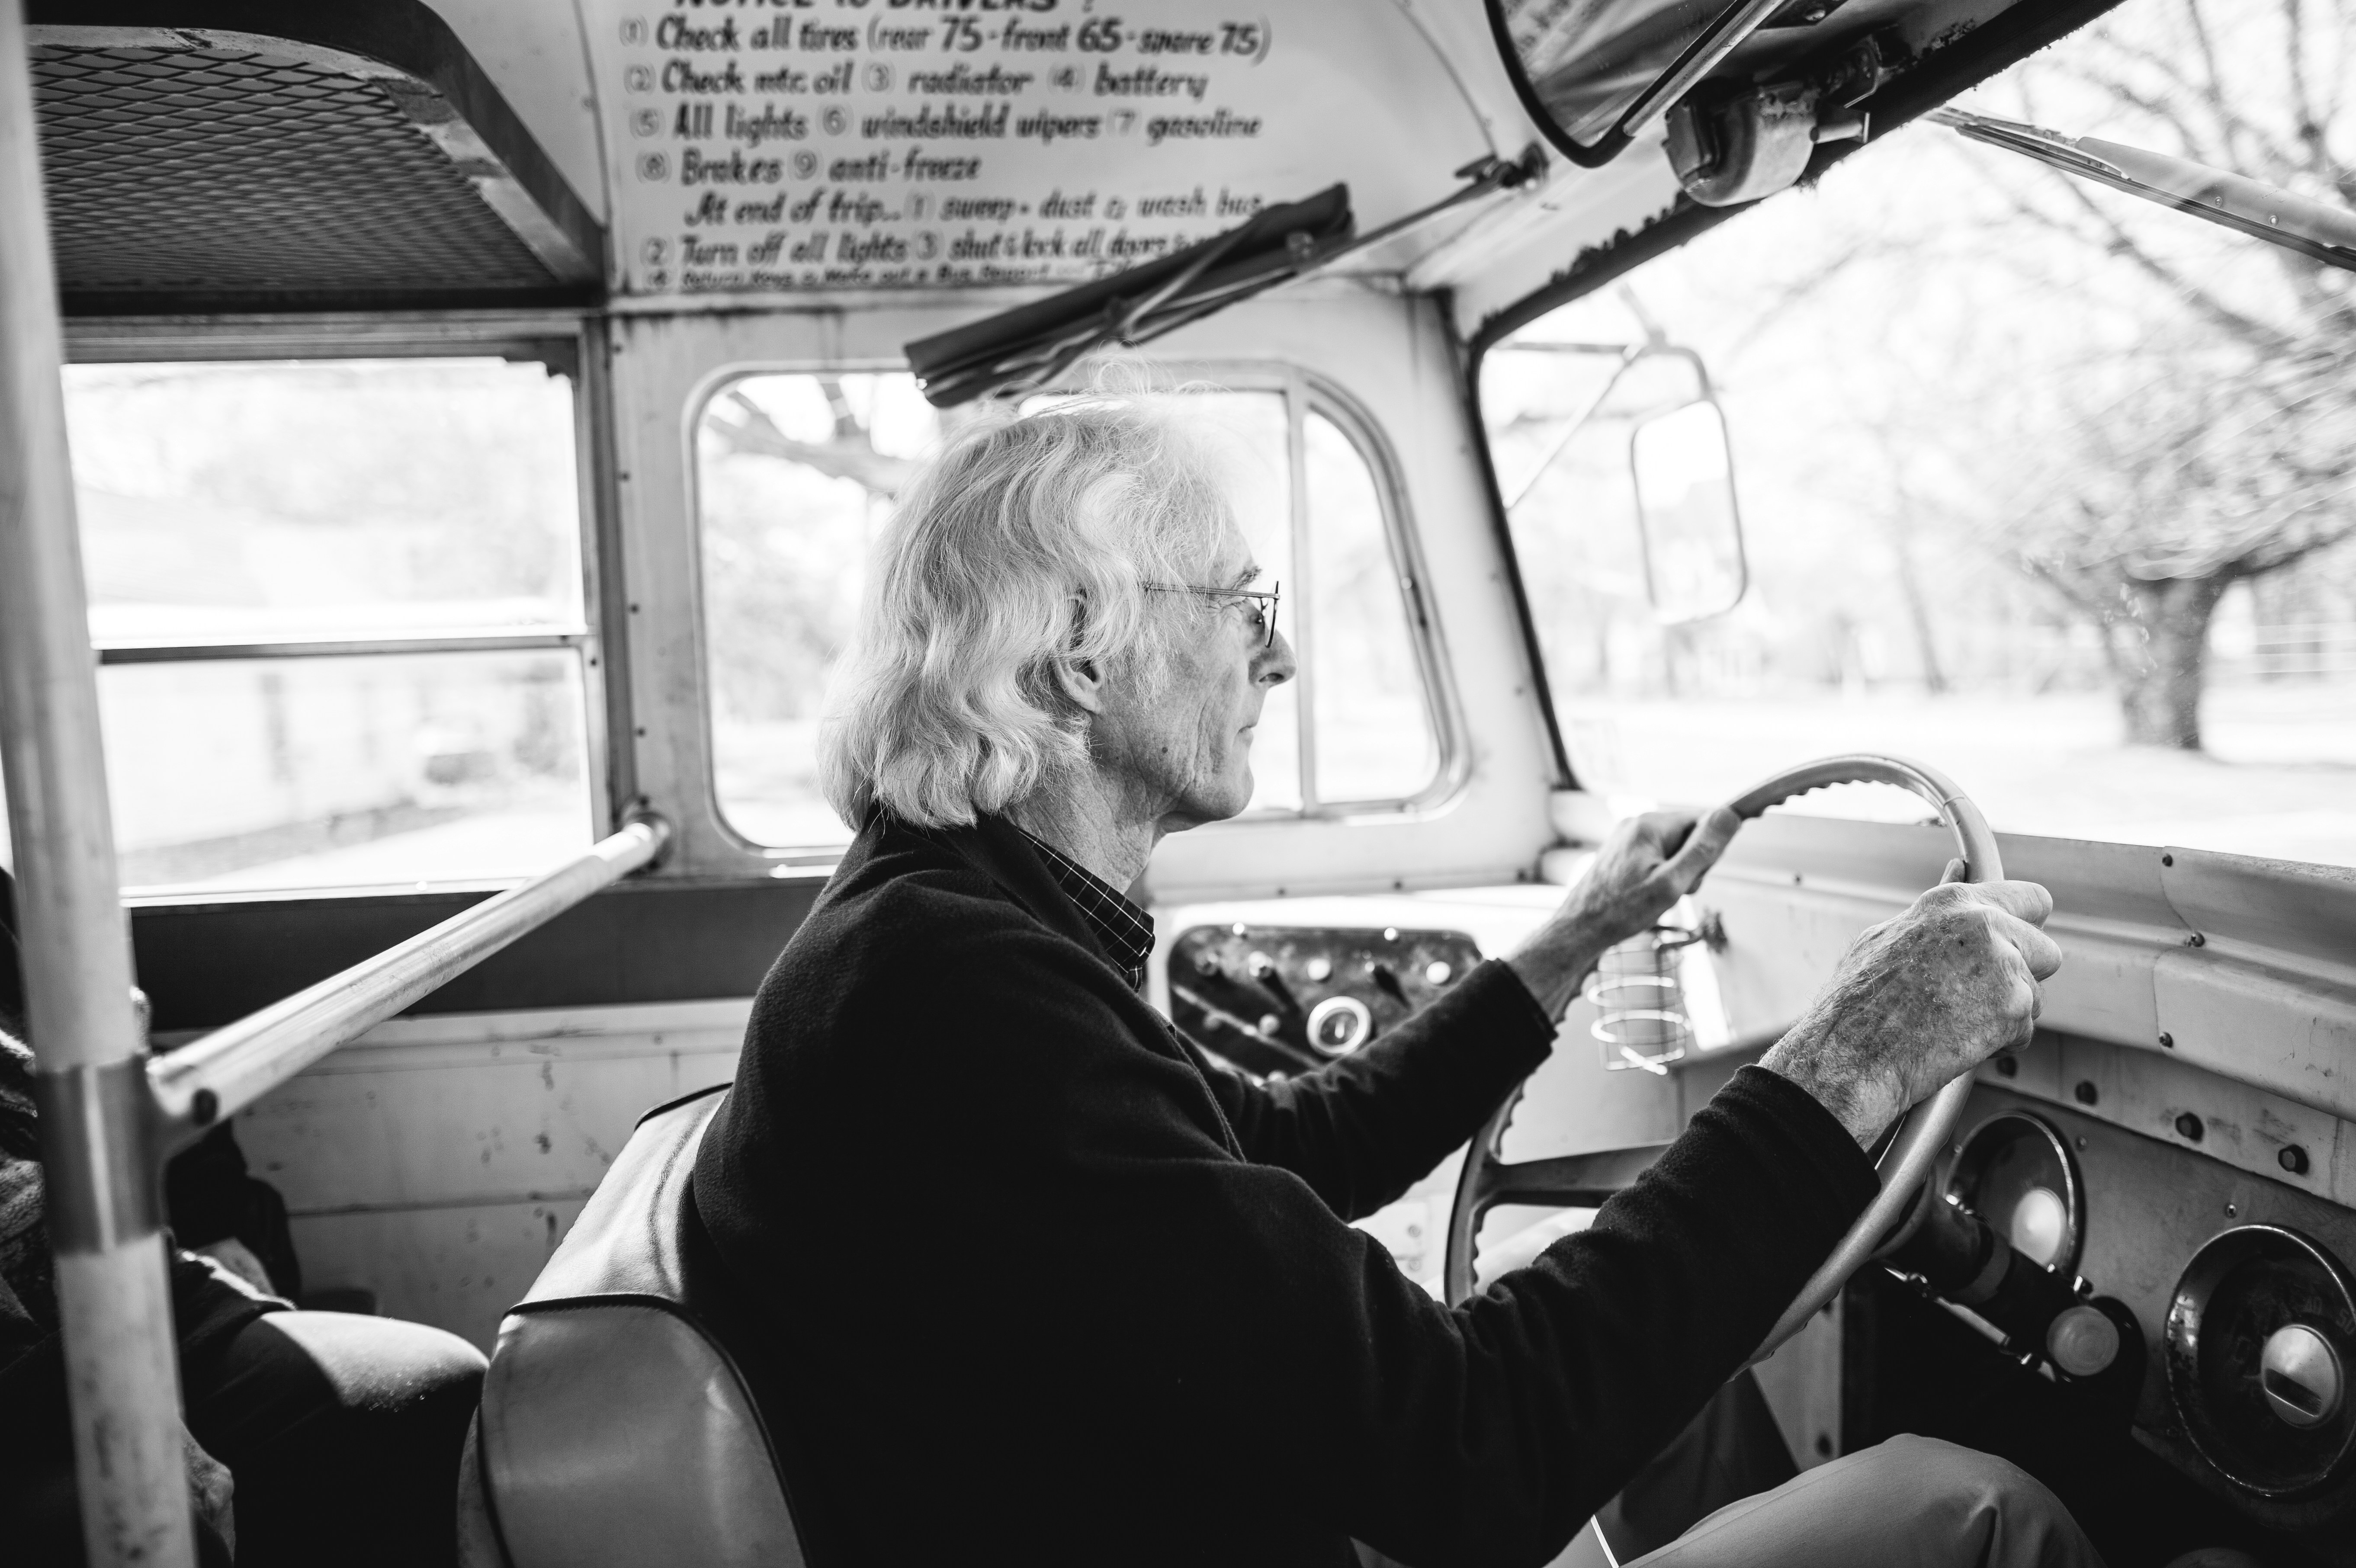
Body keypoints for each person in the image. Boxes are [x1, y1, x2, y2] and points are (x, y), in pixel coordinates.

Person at [691, 392, 2097, 1566]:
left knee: (1688, 1384)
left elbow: (1303, 1146)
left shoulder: (933, 932)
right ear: (1078, 653)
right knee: (1973, 1509)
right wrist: (1850, 1060)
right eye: (1242, 605)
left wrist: (1576, 935)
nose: (1280, 655)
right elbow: (1471, 1453)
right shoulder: (965, 1005)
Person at [0, 869, 487, 1567]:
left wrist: (208, 1215)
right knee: (149, 1524)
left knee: (433, 1392)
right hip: (25, 1377)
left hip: (118, 1288)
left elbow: (110, 1077)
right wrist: (123, 1408)